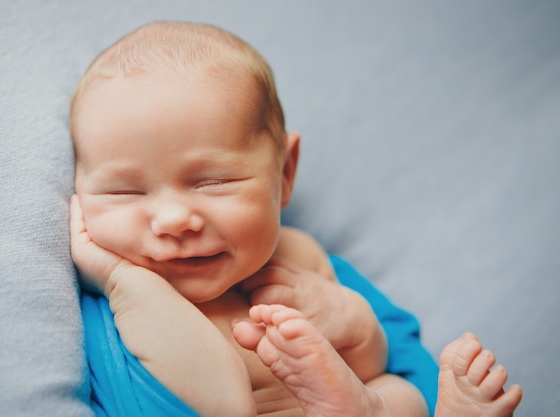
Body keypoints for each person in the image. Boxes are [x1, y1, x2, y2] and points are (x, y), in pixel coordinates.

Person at [69, 21, 522, 417]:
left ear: (284, 173)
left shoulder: (304, 263)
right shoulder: (106, 312)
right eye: (124, 191)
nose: (173, 219)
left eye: (213, 182)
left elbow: (405, 358)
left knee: (399, 395)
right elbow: (211, 406)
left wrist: (356, 326)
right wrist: (122, 281)